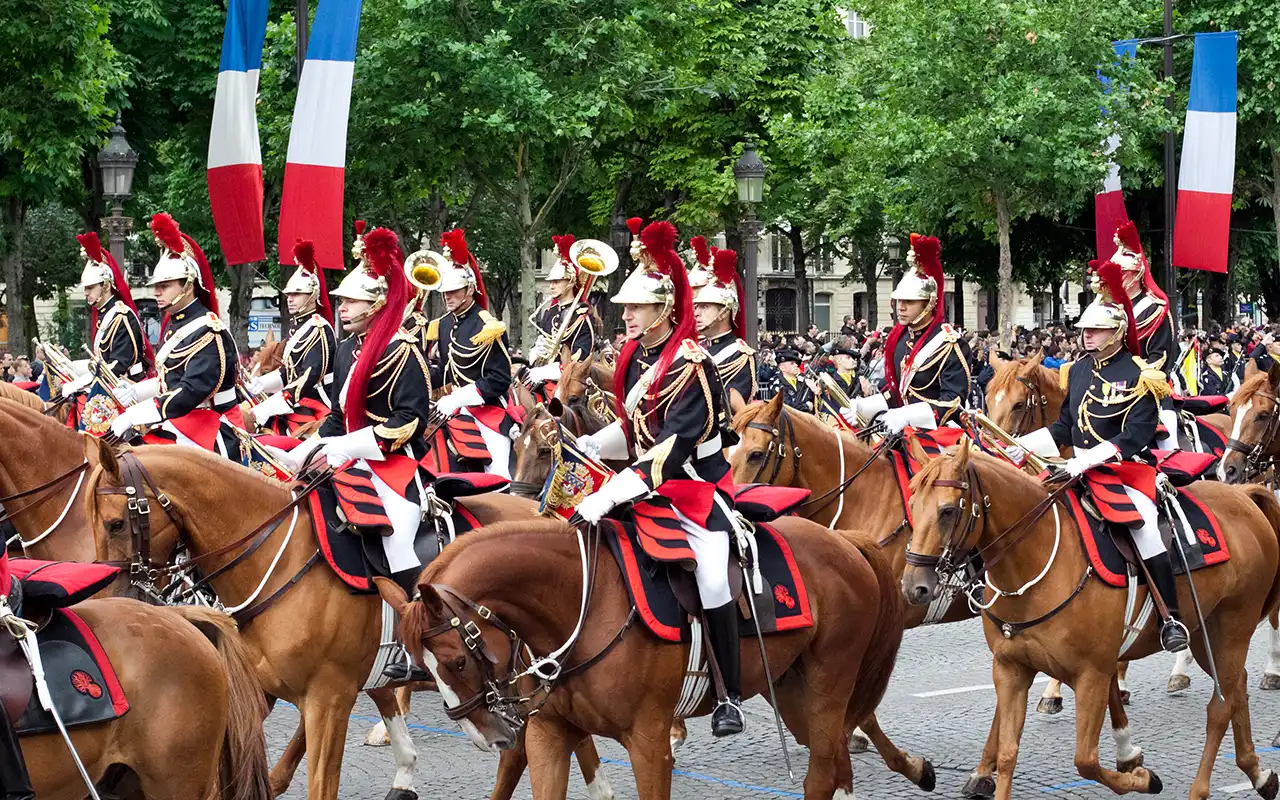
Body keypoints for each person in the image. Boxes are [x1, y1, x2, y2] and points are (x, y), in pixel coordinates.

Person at [572, 217, 744, 735]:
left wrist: (606, 495)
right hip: (645, 484)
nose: (624, 314)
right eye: (623, 306)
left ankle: (728, 693)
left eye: (636, 307)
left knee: (713, 577)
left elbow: (670, 452)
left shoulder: (693, 365)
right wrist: (588, 444)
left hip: (694, 488)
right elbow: (633, 431)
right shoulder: (634, 355)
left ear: (664, 309)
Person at [1015, 260, 1187, 653]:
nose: (1087, 336)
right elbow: (1063, 427)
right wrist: (1021, 445)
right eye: (1085, 330)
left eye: (1096, 330)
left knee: (1143, 526)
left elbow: (1136, 435)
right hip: (1074, 468)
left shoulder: (1142, 374)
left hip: (1123, 470)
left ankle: (1170, 616)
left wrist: (1088, 460)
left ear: (1118, 332)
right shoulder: (1076, 371)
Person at [313, 227, 434, 584]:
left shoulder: (403, 351)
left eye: (351, 301)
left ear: (377, 303)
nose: (342, 307)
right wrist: (311, 447)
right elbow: (337, 415)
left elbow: (409, 420)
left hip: (393, 465)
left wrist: (347, 445)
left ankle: (416, 619)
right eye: (341, 300)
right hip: (348, 458)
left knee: (396, 542)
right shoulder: (346, 348)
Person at [109, 214, 241, 457]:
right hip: (182, 421)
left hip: (212, 429)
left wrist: (136, 413)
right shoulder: (175, 327)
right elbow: (170, 379)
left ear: (188, 284)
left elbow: (191, 390)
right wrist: (136, 393)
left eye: (165, 286)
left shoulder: (209, 331)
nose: (157, 292)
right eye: (155, 286)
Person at [842, 234, 970, 431]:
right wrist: (864, 407)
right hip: (900, 430)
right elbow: (896, 392)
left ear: (929, 304)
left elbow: (953, 404)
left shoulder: (949, 344)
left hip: (939, 435)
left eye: (909, 302)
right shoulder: (901, 339)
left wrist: (909, 415)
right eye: (899, 301)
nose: (900, 307)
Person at [426, 228, 516, 479]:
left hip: (487, 411)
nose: (447, 296)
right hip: (453, 407)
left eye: (454, 291)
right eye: (445, 291)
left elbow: (499, 379)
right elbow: (446, 370)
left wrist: (459, 398)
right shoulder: (443, 324)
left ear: (469, 290)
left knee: (496, 472)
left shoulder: (489, 326)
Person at [248, 238, 337, 434]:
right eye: (288, 295)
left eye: (297, 294)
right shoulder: (297, 327)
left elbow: (310, 375)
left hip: (319, 400)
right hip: (299, 398)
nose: (290, 299)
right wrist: (261, 383)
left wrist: (279, 400)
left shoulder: (319, 329)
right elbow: (288, 372)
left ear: (313, 295)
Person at [1110, 221, 1180, 447]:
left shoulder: (1154, 308)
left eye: (1122, 273)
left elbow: (1159, 357)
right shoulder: (1109, 308)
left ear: (1136, 273)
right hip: (1108, 381)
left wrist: (1129, 374)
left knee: (1167, 442)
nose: (1116, 278)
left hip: (1146, 385)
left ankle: (1173, 470)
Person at [524, 234, 606, 388]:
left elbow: (579, 365)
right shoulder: (550, 312)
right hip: (540, 377)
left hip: (567, 385)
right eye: (551, 282)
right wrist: (535, 352)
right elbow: (541, 340)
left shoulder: (581, 317)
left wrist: (547, 371)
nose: (552, 286)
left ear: (570, 282)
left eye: (557, 281)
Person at [689, 241, 757, 413]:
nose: (696, 313)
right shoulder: (696, 349)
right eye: (696, 307)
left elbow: (729, 410)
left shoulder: (740, 355)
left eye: (704, 307)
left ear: (725, 311)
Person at [76, 231, 152, 381]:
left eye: (90, 287)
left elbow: (119, 365)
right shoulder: (105, 315)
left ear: (105, 285)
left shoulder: (121, 317)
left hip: (127, 386)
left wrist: (84, 379)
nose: (86, 293)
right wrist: (72, 367)